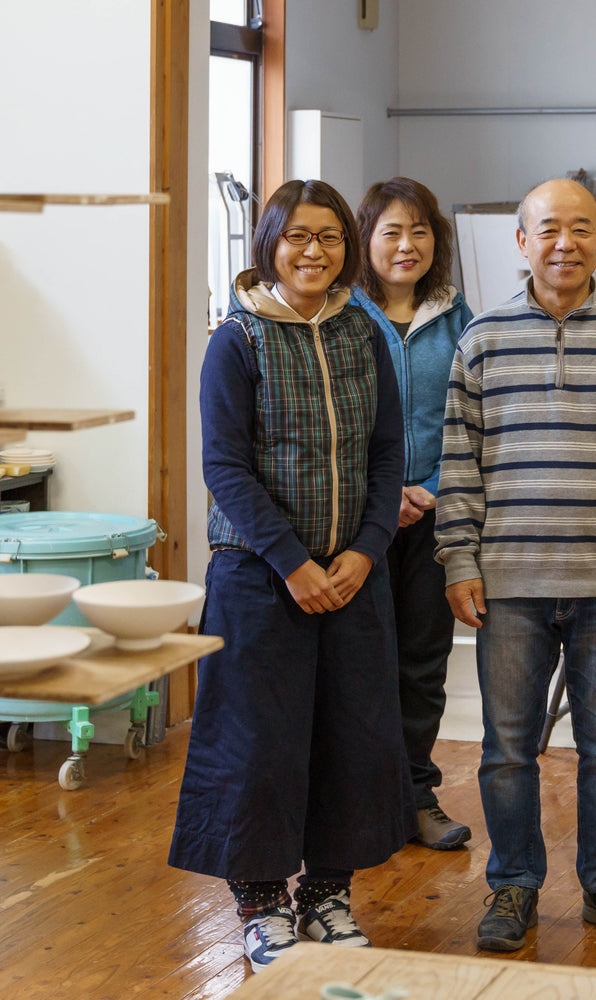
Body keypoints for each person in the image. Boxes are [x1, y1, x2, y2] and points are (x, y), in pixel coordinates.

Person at [435, 178, 596, 952]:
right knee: (507, 752)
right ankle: (514, 886)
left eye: (581, 228)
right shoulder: (481, 338)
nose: (565, 243)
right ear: (521, 242)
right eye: (548, 229)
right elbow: (459, 462)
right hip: (508, 586)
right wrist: (457, 558)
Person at [169, 179, 410, 974]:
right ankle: (262, 905)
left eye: (331, 237)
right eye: (298, 236)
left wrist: (366, 550)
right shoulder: (236, 340)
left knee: (352, 737)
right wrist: (294, 562)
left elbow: (385, 459)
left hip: (352, 576)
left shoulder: (363, 335)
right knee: (257, 746)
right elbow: (224, 468)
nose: (314, 252)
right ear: (269, 242)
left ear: (349, 248)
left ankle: (329, 897)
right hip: (259, 578)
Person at [352, 177, 475, 850]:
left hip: (433, 512)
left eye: (420, 230)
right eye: (391, 231)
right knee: (362, 658)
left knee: (423, 661)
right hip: (357, 520)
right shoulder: (341, 312)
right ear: (366, 240)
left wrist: (427, 486)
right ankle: (361, 798)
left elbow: (470, 421)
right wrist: (381, 495)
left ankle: (416, 793)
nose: (406, 245)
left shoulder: (460, 318)